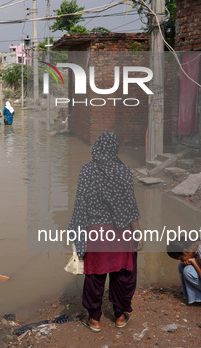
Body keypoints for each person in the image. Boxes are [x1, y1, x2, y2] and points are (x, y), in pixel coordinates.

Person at [67, 132, 143, 333]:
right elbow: (130, 206)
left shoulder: (86, 171)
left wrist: (77, 234)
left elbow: (80, 205)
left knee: (95, 276)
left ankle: (94, 320)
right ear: (114, 149)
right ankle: (119, 316)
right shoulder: (124, 171)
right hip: (121, 234)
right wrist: (137, 234)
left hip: (96, 235)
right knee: (123, 275)